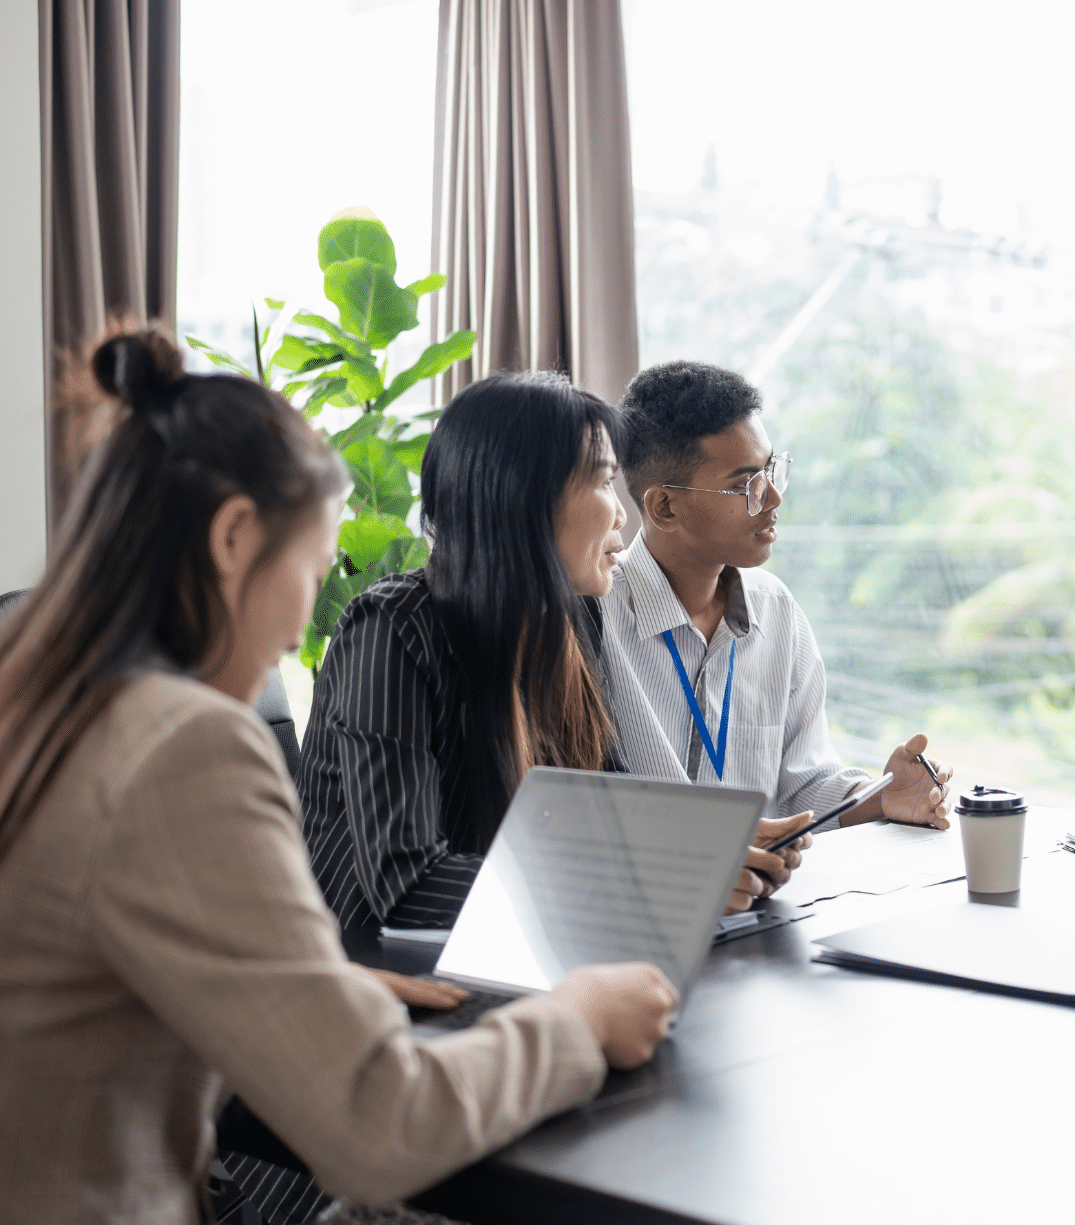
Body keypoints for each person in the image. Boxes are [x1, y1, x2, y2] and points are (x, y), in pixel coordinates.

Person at [0, 330, 676, 1225]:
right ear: (236, 539)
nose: (298, 629)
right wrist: (577, 1020)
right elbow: (380, 1123)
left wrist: (307, 985)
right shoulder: (183, 748)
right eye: (310, 572)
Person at [299, 372, 810, 950]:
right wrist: (661, 882)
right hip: (384, 989)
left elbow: (611, 815)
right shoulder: (393, 630)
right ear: (524, 498)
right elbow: (409, 887)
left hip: (516, 962)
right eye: (604, 482)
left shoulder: (573, 622)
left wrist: (717, 850)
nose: (623, 516)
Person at [602, 361, 953, 857]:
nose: (773, 499)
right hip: (646, 903)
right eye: (745, 484)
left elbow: (803, 785)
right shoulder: (594, 618)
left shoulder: (777, 612)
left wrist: (881, 796)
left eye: (770, 471)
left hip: (761, 896)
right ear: (664, 508)